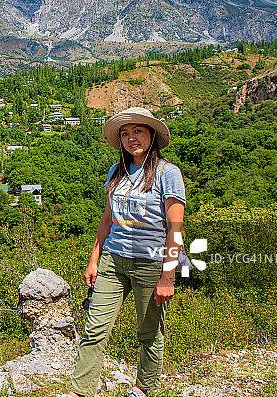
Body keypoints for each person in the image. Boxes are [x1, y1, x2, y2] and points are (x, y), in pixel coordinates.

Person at [69, 107, 186, 397]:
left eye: (138, 131)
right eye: (125, 133)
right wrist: (94, 260)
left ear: (152, 135)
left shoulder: (167, 173)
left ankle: (145, 389)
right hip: (113, 260)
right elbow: (108, 218)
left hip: (150, 262)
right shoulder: (117, 171)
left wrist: (168, 276)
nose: (131, 138)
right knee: (95, 329)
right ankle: (80, 391)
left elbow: (175, 228)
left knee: (148, 333)